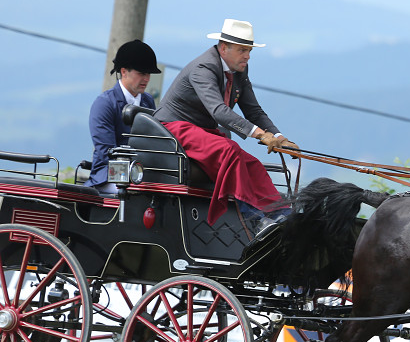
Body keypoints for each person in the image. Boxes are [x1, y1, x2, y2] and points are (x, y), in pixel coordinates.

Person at [154, 18, 298, 230]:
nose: (247, 56)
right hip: (174, 128)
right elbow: (219, 111)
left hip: (202, 131)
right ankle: (254, 219)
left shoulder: (239, 70)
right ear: (224, 48)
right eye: (242, 50)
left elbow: (253, 110)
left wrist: (278, 137)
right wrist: (259, 134)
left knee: (252, 164)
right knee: (229, 150)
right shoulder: (203, 68)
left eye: (249, 51)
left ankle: (282, 213)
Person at [87, 39, 160, 194]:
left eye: (148, 73)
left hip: (139, 173)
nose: (146, 79)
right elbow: (107, 152)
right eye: (141, 73)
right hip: (110, 174)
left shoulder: (148, 101)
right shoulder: (104, 104)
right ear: (124, 71)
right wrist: (134, 178)